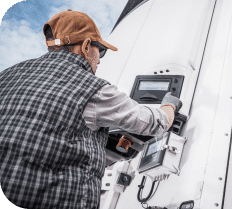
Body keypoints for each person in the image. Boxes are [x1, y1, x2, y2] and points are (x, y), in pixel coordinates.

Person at [0, 9, 182, 209]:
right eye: (100, 51)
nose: (100, 59)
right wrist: (169, 104)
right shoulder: (92, 88)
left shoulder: (7, 75)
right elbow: (155, 123)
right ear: (86, 46)